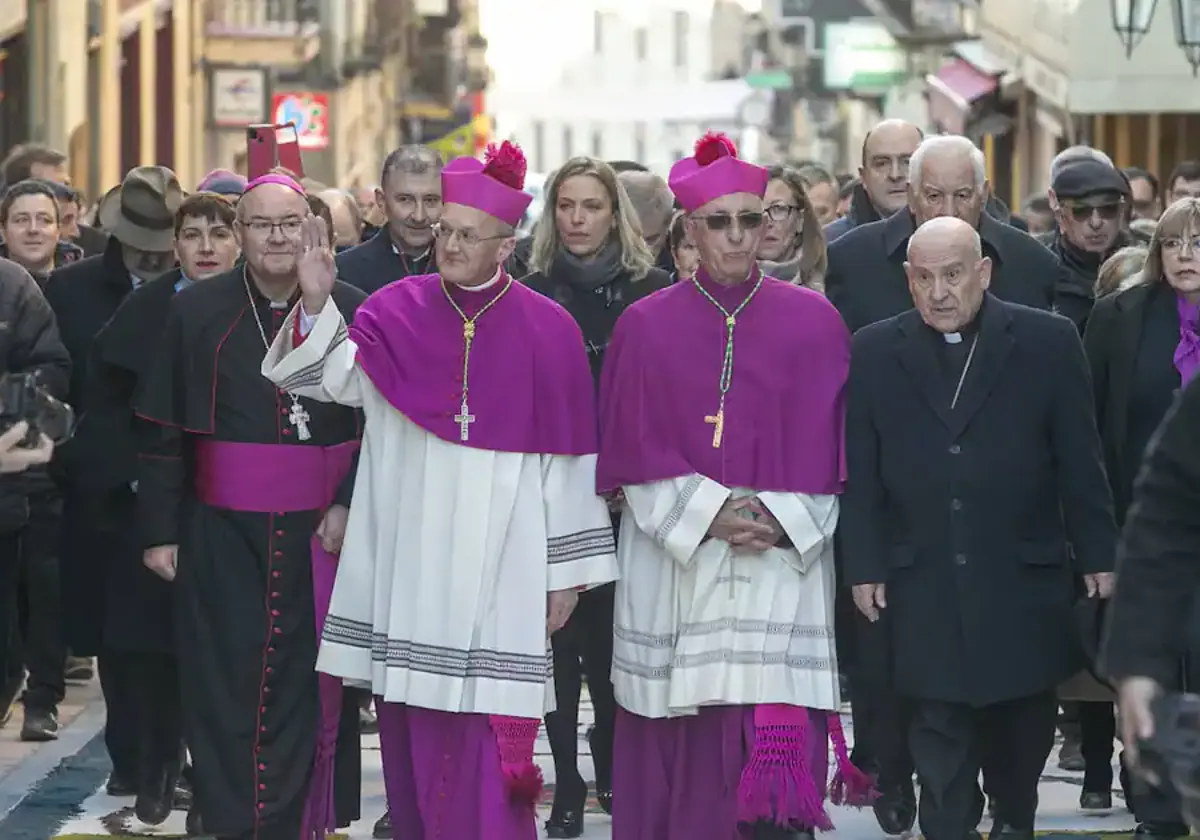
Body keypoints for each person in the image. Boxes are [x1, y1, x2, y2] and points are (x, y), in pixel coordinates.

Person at [260, 141, 618, 840]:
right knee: (410, 721)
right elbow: (328, 381)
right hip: (410, 561)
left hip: (504, 564)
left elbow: (568, 462)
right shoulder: (396, 310)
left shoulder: (550, 331)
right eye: (444, 230)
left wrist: (567, 576)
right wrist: (313, 299)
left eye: (464, 235)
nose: (446, 244)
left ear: (505, 246)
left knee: (489, 732)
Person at [599, 132, 870, 840]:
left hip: (780, 563)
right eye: (719, 222)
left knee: (769, 780)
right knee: (679, 753)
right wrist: (708, 515)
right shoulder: (643, 325)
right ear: (689, 229)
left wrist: (780, 519)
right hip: (678, 567)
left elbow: (838, 446)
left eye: (751, 219)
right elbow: (628, 452)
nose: (738, 236)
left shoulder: (816, 322)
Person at [841, 216, 1117, 840]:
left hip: (1020, 580)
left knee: (1018, 760)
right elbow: (859, 472)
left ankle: (1014, 819)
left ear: (984, 273)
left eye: (954, 275)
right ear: (907, 282)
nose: (940, 292)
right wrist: (862, 563)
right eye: (925, 278)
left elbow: (1081, 460)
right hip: (922, 584)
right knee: (941, 766)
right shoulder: (875, 349)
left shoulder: (1048, 341)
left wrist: (1100, 555)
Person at [133, 173, 365, 839]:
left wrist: (349, 505)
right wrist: (160, 531)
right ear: (240, 234)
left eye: (289, 224)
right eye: (262, 224)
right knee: (222, 681)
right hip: (219, 532)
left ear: (310, 229)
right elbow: (162, 431)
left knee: (304, 683)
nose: (276, 238)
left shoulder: (348, 303)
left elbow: (377, 431)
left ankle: (293, 825)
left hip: (318, 535)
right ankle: (234, 821)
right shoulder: (194, 311)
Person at [522, 156, 669, 837]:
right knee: (555, 647)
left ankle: (609, 760)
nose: (577, 219)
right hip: (549, 494)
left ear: (617, 215)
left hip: (625, 499)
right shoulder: (528, 289)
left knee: (613, 648)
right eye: (566, 205)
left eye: (592, 206)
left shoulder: (653, 291)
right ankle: (568, 782)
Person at [85, 192, 240, 825]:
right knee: (152, 652)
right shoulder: (141, 312)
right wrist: (137, 488)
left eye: (218, 234)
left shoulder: (261, 310)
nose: (206, 246)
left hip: (233, 502)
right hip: (153, 503)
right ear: (174, 245)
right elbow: (107, 408)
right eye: (193, 234)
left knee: (223, 654)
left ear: (239, 243)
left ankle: (213, 783)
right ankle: (155, 772)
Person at [44, 165, 183, 790]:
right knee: (117, 639)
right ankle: (132, 760)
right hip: (102, 487)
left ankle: (173, 754)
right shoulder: (70, 291)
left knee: (179, 634)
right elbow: (57, 382)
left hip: (178, 484)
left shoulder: (198, 290)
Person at [1085, 198, 1200, 837]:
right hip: (1148, 518)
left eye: (1199, 243)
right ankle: (1153, 806)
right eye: (1175, 243)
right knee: (1155, 663)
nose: (1186, 256)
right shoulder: (1121, 319)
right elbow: (1090, 429)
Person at [825, 135, 1060, 336]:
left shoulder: (1032, 263)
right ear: (912, 196)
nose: (949, 211)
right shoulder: (851, 260)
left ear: (983, 195)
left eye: (962, 196)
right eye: (934, 197)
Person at [336, 146, 445, 294]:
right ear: (381, 201)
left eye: (430, 200)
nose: (419, 216)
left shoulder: (467, 268)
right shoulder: (344, 271)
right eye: (405, 200)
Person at [1046, 156, 1132, 333]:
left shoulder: (1146, 264)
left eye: (1108, 209)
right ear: (1060, 217)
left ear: (1121, 212)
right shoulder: (1042, 271)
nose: (1095, 222)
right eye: (1081, 211)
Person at [824, 119, 923, 244]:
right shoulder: (829, 244)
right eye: (881, 164)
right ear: (863, 177)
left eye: (908, 162)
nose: (895, 174)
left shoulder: (951, 235)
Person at [757, 164, 828, 290]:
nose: (767, 222)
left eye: (778, 208)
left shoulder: (826, 287)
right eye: (757, 211)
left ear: (800, 220)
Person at [0, 180, 82, 285]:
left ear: (58, 230)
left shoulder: (86, 282)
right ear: (3, 230)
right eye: (21, 220)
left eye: (44, 220)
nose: (33, 229)